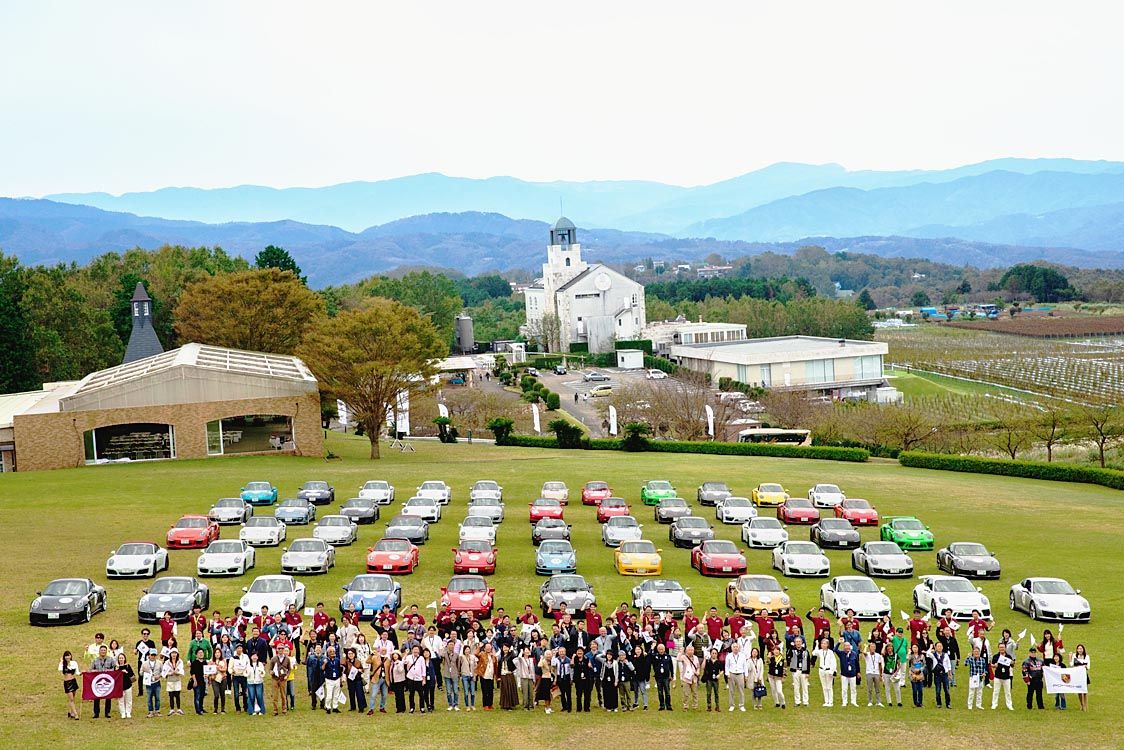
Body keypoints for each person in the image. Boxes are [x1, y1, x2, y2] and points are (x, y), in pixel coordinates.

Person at [89, 645, 116, 719]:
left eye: (104, 650)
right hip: (98, 682)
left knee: (108, 697)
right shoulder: (95, 660)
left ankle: (107, 713)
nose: (103, 652)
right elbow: (91, 669)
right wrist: (94, 671)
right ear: (99, 651)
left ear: (106, 651)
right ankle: (96, 713)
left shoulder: (111, 659)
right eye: (102, 650)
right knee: (96, 697)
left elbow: (115, 669)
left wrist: (110, 671)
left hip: (107, 682)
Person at [269, 644, 293, 715]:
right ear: (277, 649)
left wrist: (287, 676)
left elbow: (289, 669)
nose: (280, 650)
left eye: (282, 649)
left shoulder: (287, 659)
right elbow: (270, 669)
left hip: (283, 679)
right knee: (275, 695)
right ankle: (275, 710)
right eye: (279, 649)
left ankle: (284, 709)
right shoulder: (273, 659)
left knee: (283, 695)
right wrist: (271, 672)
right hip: (275, 679)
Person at [813, 637, 837, 707]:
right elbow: (814, 653)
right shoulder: (820, 651)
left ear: (827, 645)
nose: (823, 645)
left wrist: (832, 671)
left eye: (825, 644)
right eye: (822, 643)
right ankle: (826, 701)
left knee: (829, 686)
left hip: (828, 670)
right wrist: (816, 645)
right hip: (821, 670)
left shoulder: (830, 652)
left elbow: (833, 662)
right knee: (824, 686)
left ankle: (831, 701)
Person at [990, 642, 1014, 710]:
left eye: (1003, 647)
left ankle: (1009, 705)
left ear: (1005, 648)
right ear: (998, 648)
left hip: (1006, 677)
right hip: (998, 676)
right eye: (1000, 647)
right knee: (996, 691)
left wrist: (1012, 662)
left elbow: (1012, 665)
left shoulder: (1008, 656)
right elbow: (992, 665)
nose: (1002, 649)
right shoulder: (996, 656)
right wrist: (995, 665)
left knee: (1008, 692)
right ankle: (994, 704)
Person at [723, 642, 747, 711]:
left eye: (737, 647)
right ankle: (731, 705)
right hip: (732, 674)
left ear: (739, 648)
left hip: (740, 674)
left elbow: (745, 666)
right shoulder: (729, 656)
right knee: (731, 690)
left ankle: (741, 705)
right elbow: (726, 666)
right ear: (732, 648)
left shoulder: (742, 655)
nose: (735, 648)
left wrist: (746, 675)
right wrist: (727, 674)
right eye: (734, 647)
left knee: (741, 691)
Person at [964, 645, 988, 710]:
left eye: (977, 652)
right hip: (973, 678)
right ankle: (970, 705)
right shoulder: (971, 659)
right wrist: (968, 657)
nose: (976, 653)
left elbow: (985, 669)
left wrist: (984, 673)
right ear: (973, 652)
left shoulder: (982, 660)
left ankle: (978, 705)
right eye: (975, 652)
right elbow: (965, 664)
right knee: (971, 692)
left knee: (979, 692)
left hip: (980, 678)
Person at [788, 636, 810, 707]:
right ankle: (797, 701)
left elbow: (808, 662)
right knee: (796, 687)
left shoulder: (805, 651)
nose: (798, 643)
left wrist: (807, 672)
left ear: (802, 643)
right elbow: (788, 657)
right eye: (796, 642)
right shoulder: (792, 650)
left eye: (799, 642)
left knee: (805, 687)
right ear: (794, 643)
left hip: (803, 671)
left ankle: (805, 701)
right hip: (795, 670)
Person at [677, 644, 701, 710]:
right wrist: (681, 652)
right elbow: (678, 659)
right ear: (686, 651)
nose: (691, 651)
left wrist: (698, 672)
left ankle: (695, 706)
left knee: (695, 693)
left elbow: (698, 666)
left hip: (694, 678)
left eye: (692, 650)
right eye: (689, 650)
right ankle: (685, 706)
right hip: (686, 678)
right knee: (686, 693)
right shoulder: (683, 657)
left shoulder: (696, 658)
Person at [930, 641, 952, 708]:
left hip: (944, 674)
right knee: (938, 690)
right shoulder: (933, 655)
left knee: (947, 690)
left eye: (940, 646)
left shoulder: (945, 655)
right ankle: (939, 703)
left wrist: (949, 673)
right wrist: (931, 649)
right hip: (937, 675)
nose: (939, 647)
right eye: (938, 646)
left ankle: (948, 703)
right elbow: (927, 653)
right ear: (936, 647)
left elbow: (949, 665)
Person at [59, 651, 80, 720]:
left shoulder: (74, 663)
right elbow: (59, 669)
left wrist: (82, 673)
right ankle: (76, 714)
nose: (67, 657)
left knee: (73, 698)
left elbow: (77, 672)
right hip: (67, 683)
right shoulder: (63, 664)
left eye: (69, 655)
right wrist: (61, 661)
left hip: (73, 681)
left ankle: (71, 712)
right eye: (66, 656)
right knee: (71, 699)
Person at [163, 649, 185, 716]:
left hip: (177, 680)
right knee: (171, 695)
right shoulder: (167, 662)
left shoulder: (180, 661)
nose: (174, 654)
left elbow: (181, 669)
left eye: (175, 653)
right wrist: (170, 673)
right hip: (170, 680)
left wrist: (177, 672)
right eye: (172, 653)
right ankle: (172, 709)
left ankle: (178, 709)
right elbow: (164, 671)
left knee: (177, 695)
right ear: (170, 654)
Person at [114, 653, 135, 719]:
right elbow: (114, 676)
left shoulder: (128, 666)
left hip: (128, 685)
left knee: (128, 699)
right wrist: (119, 671)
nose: (121, 659)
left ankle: (128, 712)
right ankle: (122, 713)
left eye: (122, 658)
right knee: (121, 700)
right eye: (120, 658)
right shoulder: (116, 667)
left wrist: (126, 672)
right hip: (120, 686)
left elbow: (132, 675)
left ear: (124, 659)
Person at [229, 644, 249, 713]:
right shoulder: (233, 658)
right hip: (236, 677)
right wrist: (232, 671)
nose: (239, 649)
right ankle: (238, 708)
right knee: (236, 693)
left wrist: (246, 672)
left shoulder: (246, 657)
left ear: (242, 649)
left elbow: (248, 665)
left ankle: (246, 707)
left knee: (245, 693)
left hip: (244, 676)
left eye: (240, 648)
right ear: (236, 649)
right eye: (238, 648)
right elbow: (230, 668)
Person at [323, 645, 343, 713]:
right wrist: (325, 664)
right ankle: (328, 707)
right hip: (329, 679)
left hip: (336, 679)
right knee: (329, 695)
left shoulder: (337, 660)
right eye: (330, 651)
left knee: (336, 694)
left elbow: (340, 670)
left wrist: (340, 679)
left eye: (333, 651)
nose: (332, 653)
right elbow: (322, 669)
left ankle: (335, 707)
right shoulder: (326, 660)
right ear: (328, 653)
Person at [701, 647, 723, 711]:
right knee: (708, 693)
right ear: (710, 654)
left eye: (715, 653)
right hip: (709, 679)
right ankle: (709, 706)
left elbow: (722, 670)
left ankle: (717, 706)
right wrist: (704, 659)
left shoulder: (719, 662)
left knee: (716, 693)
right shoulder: (708, 661)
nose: (714, 654)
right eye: (713, 653)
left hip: (716, 680)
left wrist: (719, 675)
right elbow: (702, 667)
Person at [862, 642, 883, 707]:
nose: (873, 648)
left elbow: (880, 665)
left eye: (874, 647)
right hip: (869, 673)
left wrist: (880, 674)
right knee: (870, 688)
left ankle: (878, 701)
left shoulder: (878, 655)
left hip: (876, 673)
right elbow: (864, 653)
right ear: (869, 648)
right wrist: (865, 646)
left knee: (877, 688)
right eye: (871, 647)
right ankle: (870, 701)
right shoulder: (867, 654)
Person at [838, 641, 858, 708]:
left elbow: (857, 664)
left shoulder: (854, 654)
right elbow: (834, 649)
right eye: (846, 646)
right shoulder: (841, 654)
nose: (847, 647)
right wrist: (839, 643)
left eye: (848, 646)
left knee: (853, 688)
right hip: (844, 674)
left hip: (852, 674)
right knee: (844, 689)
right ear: (844, 647)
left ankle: (853, 701)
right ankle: (844, 701)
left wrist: (858, 672)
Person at [881, 643, 902, 707]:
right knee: (887, 688)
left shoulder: (896, 655)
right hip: (886, 673)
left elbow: (899, 665)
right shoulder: (885, 655)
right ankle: (889, 702)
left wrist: (896, 672)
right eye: (888, 647)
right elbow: (882, 652)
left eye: (891, 647)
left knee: (897, 689)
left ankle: (899, 701)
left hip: (894, 674)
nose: (890, 648)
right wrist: (884, 645)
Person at [1070, 644, 1089, 712]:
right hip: (1077, 676)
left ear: (1083, 649)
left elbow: (1088, 666)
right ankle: (1082, 705)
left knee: (1084, 691)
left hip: (1084, 675)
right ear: (1077, 650)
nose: (1080, 650)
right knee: (1079, 691)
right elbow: (1071, 665)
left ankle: (1086, 705)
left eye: (1081, 648)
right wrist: (1070, 657)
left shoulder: (1086, 657)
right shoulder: (1075, 656)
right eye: (1079, 649)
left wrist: (1085, 667)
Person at [246, 651, 266, 716]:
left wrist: (261, 673)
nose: (254, 657)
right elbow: (245, 673)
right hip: (250, 682)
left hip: (259, 682)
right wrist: (247, 674)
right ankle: (251, 711)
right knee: (251, 696)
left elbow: (263, 673)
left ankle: (261, 710)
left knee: (259, 696)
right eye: (253, 656)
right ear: (251, 657)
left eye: (255, 656)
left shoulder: (260, 664)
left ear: (257, 657)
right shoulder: (248, 664)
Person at [188, 649, 207, 715]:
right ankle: (197, 710)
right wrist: (195, 681)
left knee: (202, 695)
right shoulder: (194, 663)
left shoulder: (205, 662)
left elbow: (207, 672)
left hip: (203, 681)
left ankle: (201, 708)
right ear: (196, 654)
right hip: (196, 681)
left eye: (202, 652)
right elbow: (192, 673)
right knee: (197, 696)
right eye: (199, 653)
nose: (201, 654)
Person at [908, 644, 926, 708]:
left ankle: (920, 703)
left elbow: (924, 665)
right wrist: (909, 653)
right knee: (915, 690)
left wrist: (920, 670)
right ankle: (915, 703)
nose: (915, 649)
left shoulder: (922, 656)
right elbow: (908, 661)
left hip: (920, 674)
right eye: (913, 647)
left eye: (916, 647)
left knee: (920, 690)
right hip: (913, 674)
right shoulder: (911, 656)